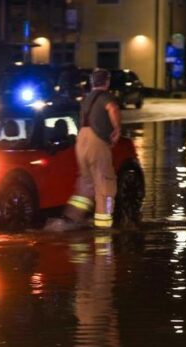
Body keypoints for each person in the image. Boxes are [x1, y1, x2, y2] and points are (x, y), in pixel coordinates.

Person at [62, 68, 121, 229]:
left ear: (92, 82)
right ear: (107, 82)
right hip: (97, 142)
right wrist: (117, 129)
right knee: (106, 184)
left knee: (86, 183)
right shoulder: (106, 96)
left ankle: (71, 220)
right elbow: (112, 109)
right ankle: (104, 226)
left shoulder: (86, 99)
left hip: (81, 141)